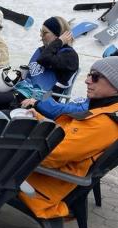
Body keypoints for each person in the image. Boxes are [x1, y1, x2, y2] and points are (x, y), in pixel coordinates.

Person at [18, 58, 118, 219]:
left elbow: (51, 156)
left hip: (37, 186)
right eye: (89, 75)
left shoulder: (103, 124)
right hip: (44, 178)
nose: (87, 80)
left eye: (95, 76)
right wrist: (39, 119)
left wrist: (12, 144)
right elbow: (69, 135)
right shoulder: (105, 111)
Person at [0, 16, 78, 111]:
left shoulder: (69, 56)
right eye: (41, 32)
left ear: (58, 36)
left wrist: (59, 42)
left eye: (45, 33)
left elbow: (44, 59)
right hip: (23, 90)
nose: (41, 35)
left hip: (39, 99)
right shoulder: (43, 50)